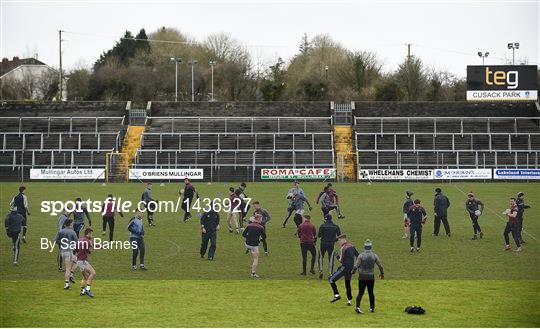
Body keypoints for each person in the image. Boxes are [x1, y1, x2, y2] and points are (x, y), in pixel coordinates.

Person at [352, 239, 384, 314]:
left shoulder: (361, 255)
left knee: (360, 292)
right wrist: (382, 273)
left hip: (362, 276)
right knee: (371, 292)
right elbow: (380, 266)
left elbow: (356, 266)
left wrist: (352, 272)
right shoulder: (374, 255)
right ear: (371, 247)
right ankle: (372, 308)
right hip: (371, 277)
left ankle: (357, 307)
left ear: (364, 247)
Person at [329, 234, 359, 306]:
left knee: (331, 279)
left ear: (343, 240)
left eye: (339, 240)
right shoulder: (352, 246)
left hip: (344, 268)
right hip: (351, 268)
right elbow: (358, 256)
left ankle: (337, 295)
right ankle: (349, 300)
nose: (339, 242)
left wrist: (337, 256)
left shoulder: (343, 248)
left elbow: (341, 261)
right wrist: (355, 266)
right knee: (347, 284)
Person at [55, 219, 78, 289]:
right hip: (69, 252)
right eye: (72, 224)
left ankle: (71, 275)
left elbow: (56, 240)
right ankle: (67, 284)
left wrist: (62, 243)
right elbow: (77, 242)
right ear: (70, 224)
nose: (73, 225)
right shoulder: (72, 232)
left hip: (62, 252)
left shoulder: (61, 231)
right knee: (68, 268)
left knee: (78, 261)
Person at [318, 214, 341, 279]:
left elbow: (319, 236)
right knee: (331, 258)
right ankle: (330, 273)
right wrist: (335, 240)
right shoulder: (336, 226)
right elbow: (339, 236)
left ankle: (321, 271)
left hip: (323, 243)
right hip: (331, 244)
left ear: (325, 219)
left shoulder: (322, 226)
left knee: (321, 257)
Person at [74, 227, 96, 298]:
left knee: (85, 277)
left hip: (78, 261)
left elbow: (76, 250)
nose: (92, 235)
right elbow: (93, 247)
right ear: (89, 233)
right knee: (93, 273)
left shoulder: (79, 240)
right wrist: (103, 246)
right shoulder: (87, 240)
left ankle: (82, 291)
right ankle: (88, 289)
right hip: (83, 261)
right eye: (91, 234)